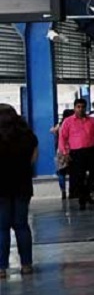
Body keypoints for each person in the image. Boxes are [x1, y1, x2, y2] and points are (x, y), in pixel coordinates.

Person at [0, 105, 37, 278]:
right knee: (21, 225)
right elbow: (33, 160)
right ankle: (26, 265)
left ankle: (1, 268)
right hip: (22, 185)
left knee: (2, 228)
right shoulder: (28, 137)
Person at [58, 98, 94, 209]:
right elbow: (62, 138)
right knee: (79, 176)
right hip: (76, 152)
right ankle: (83, 197)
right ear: (74, 108)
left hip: (92, 150)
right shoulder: (68, 121)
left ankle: (87, 192)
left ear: (86, 108)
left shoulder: (92, 120)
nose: (80, 109)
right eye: (78, 107)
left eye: (83, 107)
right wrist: (65, 153)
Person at [50, 109, 71, 200]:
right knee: (73, 172)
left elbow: (51, 130)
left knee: (61, 172)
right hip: (71, 150)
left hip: (61, 150)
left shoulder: (60, 125)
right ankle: (72, 190)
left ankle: (63, 191)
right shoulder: (72, 124)